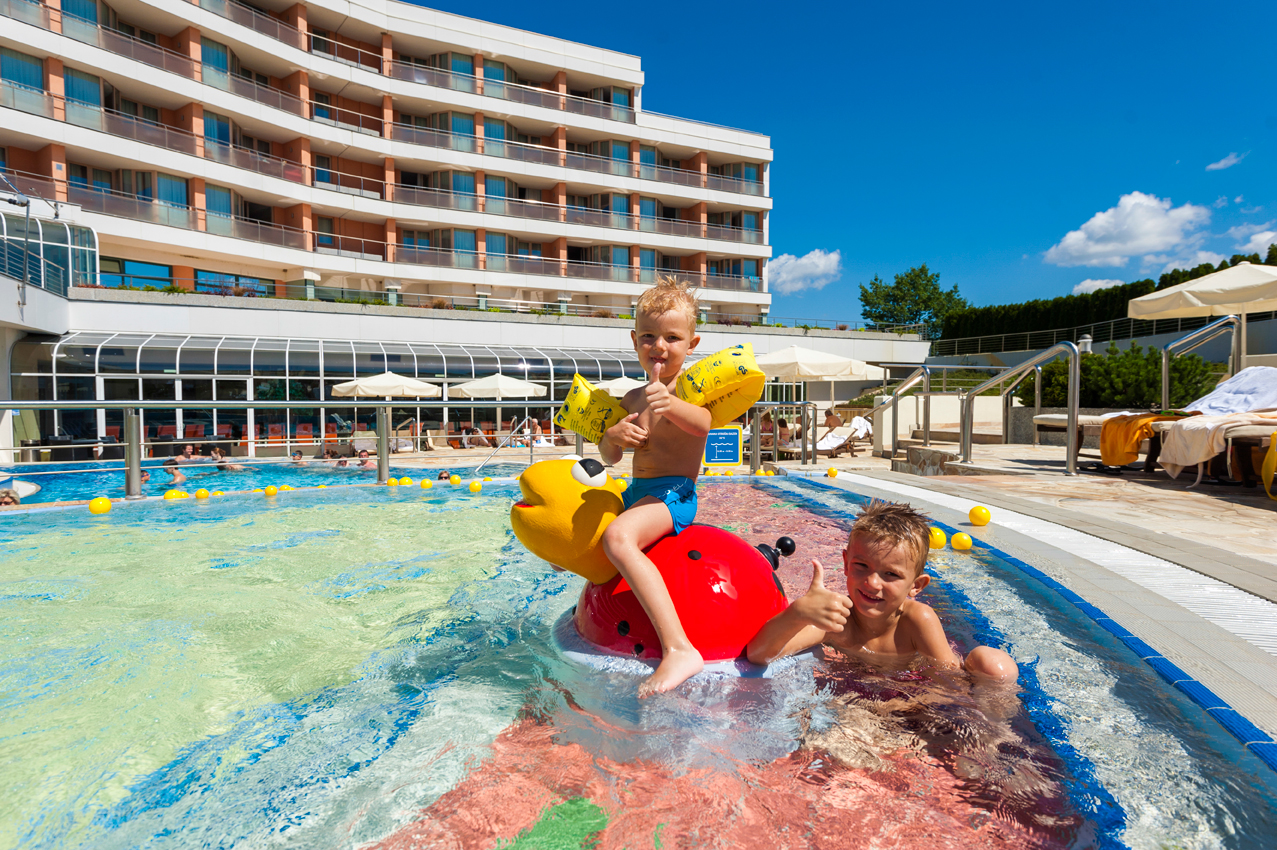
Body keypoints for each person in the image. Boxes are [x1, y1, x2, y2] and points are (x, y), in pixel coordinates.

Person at [747, 500, 1018, 682]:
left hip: (913, 695)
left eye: (891, 574)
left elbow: (949, 684)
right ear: (845, 563)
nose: (872, 583)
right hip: (860, 695)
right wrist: (798, 614)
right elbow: (758, 655)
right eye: (862, 566)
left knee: (992, 664)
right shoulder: (835, 620)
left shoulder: (917, 621)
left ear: (916, 585)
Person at [598, 276, 712, 697]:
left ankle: (680, 648)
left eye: (672, 337)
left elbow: (704, 425)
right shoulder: (632, 397)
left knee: (618, 536)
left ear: (692, 343)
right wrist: (612, 439)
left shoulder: (692, 391)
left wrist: (675, 405)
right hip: (638, 491)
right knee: (578, 537)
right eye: (648, 336)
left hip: (673, 495)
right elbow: (608, 458)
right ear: (634, 340)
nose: (659, 346)